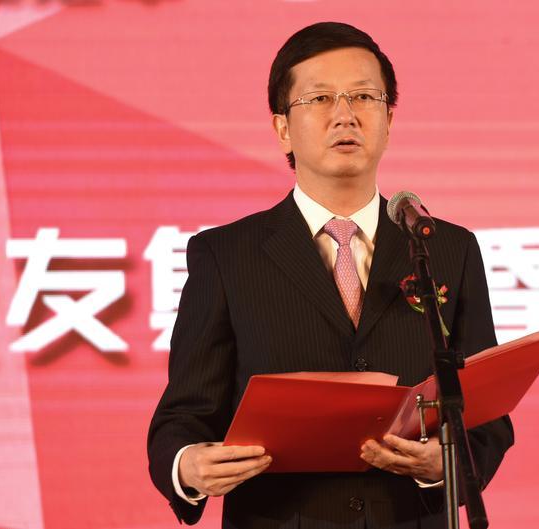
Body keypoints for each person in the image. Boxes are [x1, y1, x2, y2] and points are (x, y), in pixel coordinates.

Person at [147, 21, 514, 529]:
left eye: (363, 97)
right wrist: (187, 466)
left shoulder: (445, 249)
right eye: (320, 99)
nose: (345, 114)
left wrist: (444, 467)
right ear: (282, 128)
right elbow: (183, 417)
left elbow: (485, 414)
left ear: (389, 118)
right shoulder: (225, 255)